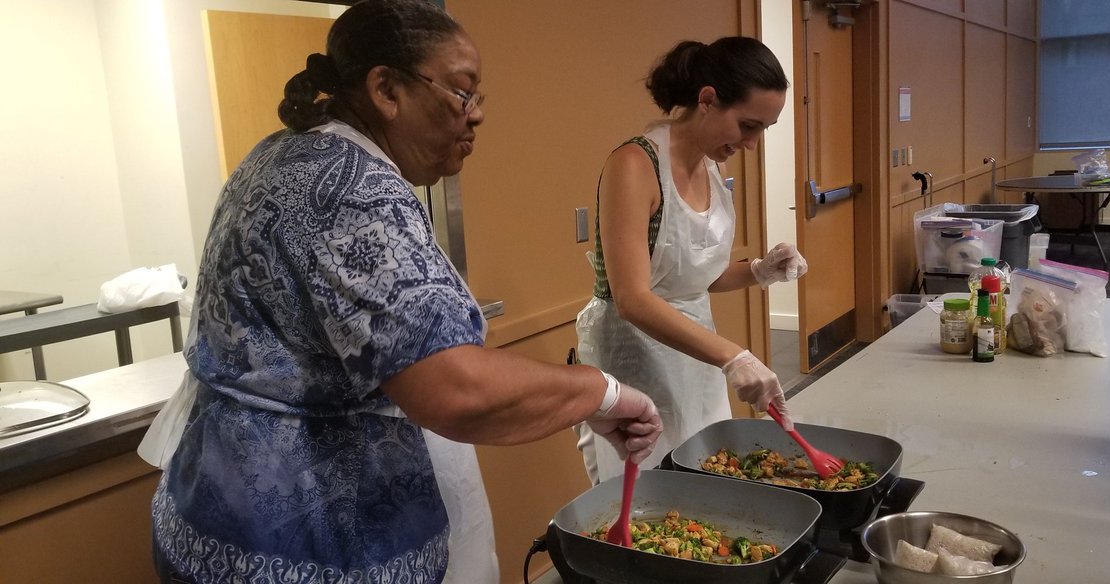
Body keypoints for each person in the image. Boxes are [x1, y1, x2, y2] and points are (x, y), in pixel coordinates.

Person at [137, 2, 662, 583]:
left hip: (209, 515)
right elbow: (453, 388)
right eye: (463, 93)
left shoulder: (280, 153)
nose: (477, 115)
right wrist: (603, 391)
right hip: (302, 544)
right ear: (386, 89)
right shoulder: (354, 190)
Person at [574, 37, 806, 484]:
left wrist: (759, 270)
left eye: (763, 130)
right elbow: (633, 299)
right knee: (651, 497)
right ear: (707, 100)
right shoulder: (635, 165)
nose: (753, 143)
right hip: (634, 356)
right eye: (747, 125)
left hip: (697, 357)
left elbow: (694, 276)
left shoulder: (712, 169)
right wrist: (733, 356)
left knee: (706, 476)